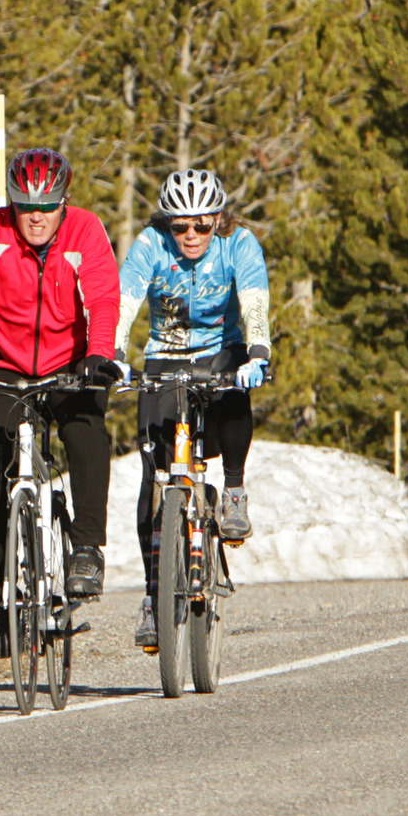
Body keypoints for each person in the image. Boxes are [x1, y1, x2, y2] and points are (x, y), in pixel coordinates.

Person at [0, 148, 122, 658]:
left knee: (86, 437)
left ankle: (85, 549)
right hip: (6, 368)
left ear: (64, 201)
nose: (36, 216)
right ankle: (1, 591)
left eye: (48, 205)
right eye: (24, 205)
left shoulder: (86, 231)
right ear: (11, 203)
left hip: (71, 365)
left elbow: (102, 297)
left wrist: (99, 355)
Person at [115, 168, 272, 652]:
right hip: (165, 353)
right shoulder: (150, 245)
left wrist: (259, 352)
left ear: (219, 220)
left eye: (202, 226)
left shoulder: (239, 244)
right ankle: (152, 595)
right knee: (153, 474)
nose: (190, 236)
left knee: (233, 387)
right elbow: (124, 302)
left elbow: (254, 302)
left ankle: (235, 490)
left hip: (222, 350)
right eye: (180, 226)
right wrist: (115, 354)